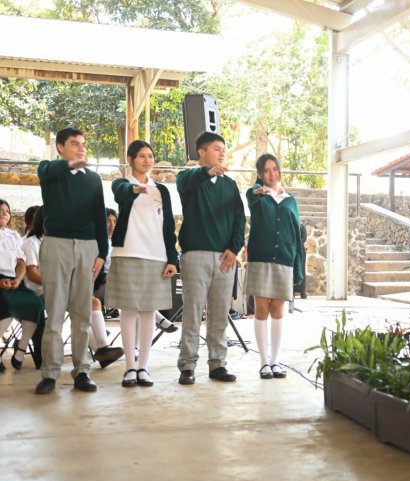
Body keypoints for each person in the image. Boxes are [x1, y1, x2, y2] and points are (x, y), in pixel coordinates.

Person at [35, 128, 108, 394]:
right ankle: (50, 374)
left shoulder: (93, 179)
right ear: (60, 148)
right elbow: (47, 171)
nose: (81, 148)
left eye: (84, 144)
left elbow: (100, 216)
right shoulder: (50, 171)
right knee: (54, 312)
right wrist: (68, 165)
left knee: (82, 313)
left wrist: (101, 253)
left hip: (88, 247)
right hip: (56, 244)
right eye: (74, 144)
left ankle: (82, 371)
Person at [175, 132, 245, 385]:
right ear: (202, 152)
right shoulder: (188, 178)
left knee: (219, 314)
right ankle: (187, 365)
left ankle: (218, 364)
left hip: (225, 258)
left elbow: (239, 218)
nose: (222, 153)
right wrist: (208, 172)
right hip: (195, 255)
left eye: (223, 149)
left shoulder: (230, 185)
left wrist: (234, 248)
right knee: (192, 312)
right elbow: (186, 183)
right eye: (217, 148)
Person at [107, 140, 178, 387]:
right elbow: (120, 192)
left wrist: (172, 258)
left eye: (150, 155)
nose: (147, 160)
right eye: (141, 156)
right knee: (128, 310)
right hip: (127, 252)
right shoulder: (122, 184)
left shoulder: (162, 190)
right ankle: (130, 367)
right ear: (130, 159)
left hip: (156, 255)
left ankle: (144, 367)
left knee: (148, 311)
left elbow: (168, 227)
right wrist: (134, 190)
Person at [21, 206, 123, 369]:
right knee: (80, 311)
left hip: (61, 288)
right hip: (39, 292)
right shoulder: (30, 242)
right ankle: (101, 350)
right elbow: (32, 273)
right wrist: (57, 284)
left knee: (93, 303)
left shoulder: (57, 242)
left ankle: (103, 348)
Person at [246, 153, 303, 379]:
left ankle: (276, 361)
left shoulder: (290, 200)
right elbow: (251, 197)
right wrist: (262, 190)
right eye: (267, 170)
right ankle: (263, 362)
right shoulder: (257, 196)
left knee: (278, 310)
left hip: (284, 260)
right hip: (261, 258)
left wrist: (298, 267)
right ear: (260, 174)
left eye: (275, 169)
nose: (272, 174)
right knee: (261, 310)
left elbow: (297, 235)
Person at [0, 199, 45, 372]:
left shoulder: (14, 236)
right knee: (8, 306)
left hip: (13, 280)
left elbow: (21, 263)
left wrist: (18, 280)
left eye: (7, 210)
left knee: (35, 305)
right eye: (0, 209)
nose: (5, 213)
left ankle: (21, 349)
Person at [293, 222, 307, 299]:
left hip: (300, 250)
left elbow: (304, 238)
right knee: (293, 270)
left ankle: (302, 292)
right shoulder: (291, 225)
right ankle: (293, 291)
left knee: (301, 269)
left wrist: (297, 242)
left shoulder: (302, 226)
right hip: (292, 250)